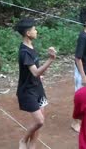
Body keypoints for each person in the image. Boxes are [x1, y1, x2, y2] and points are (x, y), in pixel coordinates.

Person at [14, 18, 56, 149]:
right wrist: (51, 59)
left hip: (37, 88)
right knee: (40, 121)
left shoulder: (31, 46)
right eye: (34, 29)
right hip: (27, 91)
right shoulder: (24, 52)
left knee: (40, 122)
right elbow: (35, 72)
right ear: (28, 33)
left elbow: (36, 73)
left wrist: (40, 76)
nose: (36, 31)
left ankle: (32, 145)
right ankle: (23, 140)